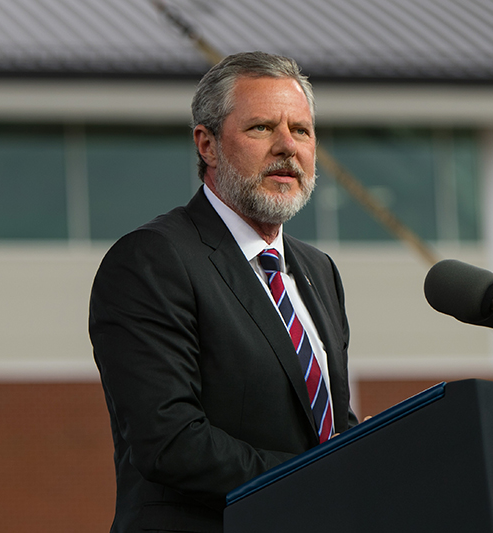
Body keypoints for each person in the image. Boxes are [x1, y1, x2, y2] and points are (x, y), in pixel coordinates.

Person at [89, 51, 359, 533]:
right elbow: (171, 443)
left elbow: (324, 425)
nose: (286, 147)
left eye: (301, 130)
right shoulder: (152, 260)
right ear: (207, 144)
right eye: (261, 128)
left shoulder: (320, 270)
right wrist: (323, 474)